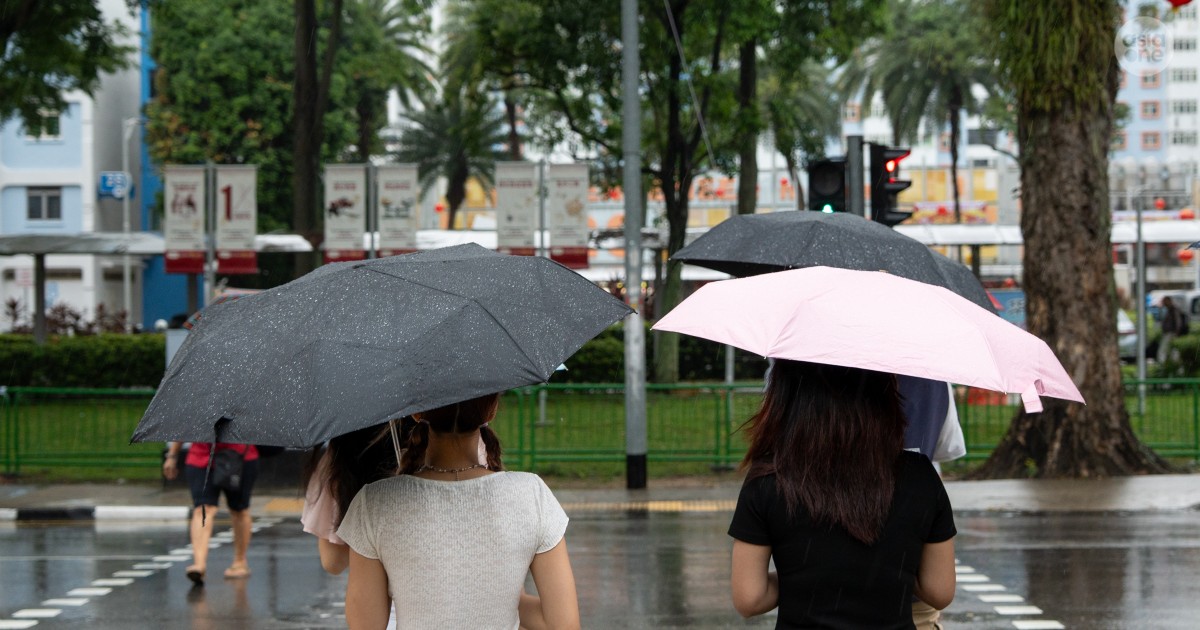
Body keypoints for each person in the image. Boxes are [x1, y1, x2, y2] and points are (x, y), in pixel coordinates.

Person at [729, 360, 957, 628]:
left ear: (787, 393)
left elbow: (749, 598)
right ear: (885, 395)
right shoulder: (919, 476)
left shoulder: (768, 478)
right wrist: (886, 574)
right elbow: (940, 591)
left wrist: (803, 578)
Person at [336, 393, 580, 630]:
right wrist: (496, 593)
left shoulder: (374, 502)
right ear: (491, 410)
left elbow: (365, 624)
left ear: (416, 412)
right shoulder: (532, 495)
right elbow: (563, 624)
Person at [163, 441, 259, 584]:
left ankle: (240, 561)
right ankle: (199, 564)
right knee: (203, 508)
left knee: (239, 510)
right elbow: (185, 424)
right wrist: (172, 455)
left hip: (240, 457)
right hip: (201, 459)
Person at [1158, 296, 1187, 364]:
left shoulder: (1173, 309)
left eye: (1165, 301)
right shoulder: (1169, 309)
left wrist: (1177, 332)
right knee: (1173, 351)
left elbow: (1178, 322)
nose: (1164, 303)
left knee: (1163, 350)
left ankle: (1163, 366)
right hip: (1170, 333)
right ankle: (1175, 366)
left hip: (1171, 333)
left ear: (1169, 301)